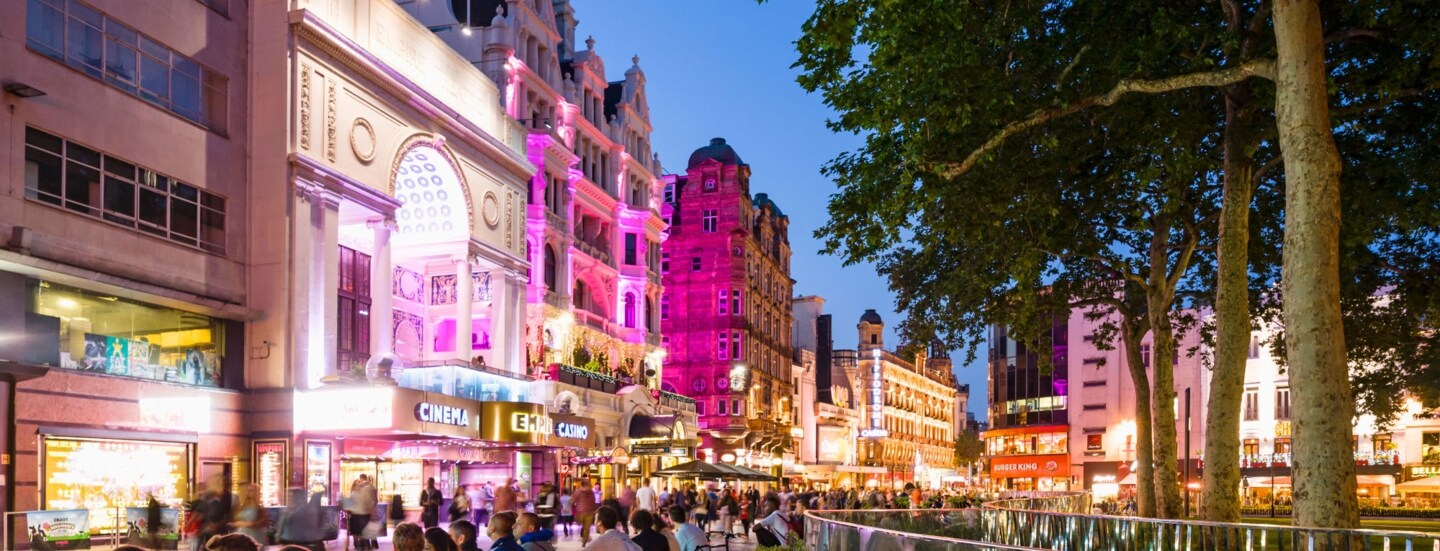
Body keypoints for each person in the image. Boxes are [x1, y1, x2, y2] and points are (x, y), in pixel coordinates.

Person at [347, 475, 379, 551]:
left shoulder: (356, 490)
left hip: (356, 515)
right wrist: (372, 509)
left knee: (360, 534)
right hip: (366, 514)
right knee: (365, 534)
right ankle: (365, 546)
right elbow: (375, 501)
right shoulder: (371, 488)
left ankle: (360, 546)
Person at [571, 480, 599, 546]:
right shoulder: (591, 492)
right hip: (590, 512)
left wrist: (573, 506)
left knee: (581, 523)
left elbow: (572, 501)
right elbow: (593, 501)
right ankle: (584, 541)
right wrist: (593, 510)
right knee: (587, 528)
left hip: (580, 512)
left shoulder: (577, 492)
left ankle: (581, 529)